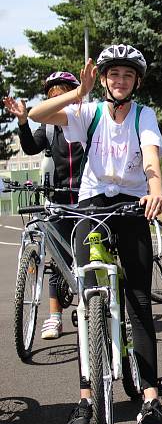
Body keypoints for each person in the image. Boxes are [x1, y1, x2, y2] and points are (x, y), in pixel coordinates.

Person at [28, 44, 162, 424]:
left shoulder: (144, 115)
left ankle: (151, 396)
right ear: (104, 79)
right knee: (89, 299)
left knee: (138, 299)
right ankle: (86, 397)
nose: (120, 81)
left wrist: (154, 188)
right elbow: (36, 114)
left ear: (135, 81)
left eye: (127, 75)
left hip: (132, 204)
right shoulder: (86, 111)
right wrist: (77, 92)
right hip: (90, 206)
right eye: (113, 75)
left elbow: (152, 158)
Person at [3, 71, 84, 340]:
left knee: (90, 256)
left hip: (87, 200)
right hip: (59, 199)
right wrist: (23, 121)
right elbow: (29, 148)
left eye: (62, 93)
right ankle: (54, 317)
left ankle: (97, 307)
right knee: (57, 260)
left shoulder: (87, 122)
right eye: (52, 96)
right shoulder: (48, 127)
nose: (57, 99)